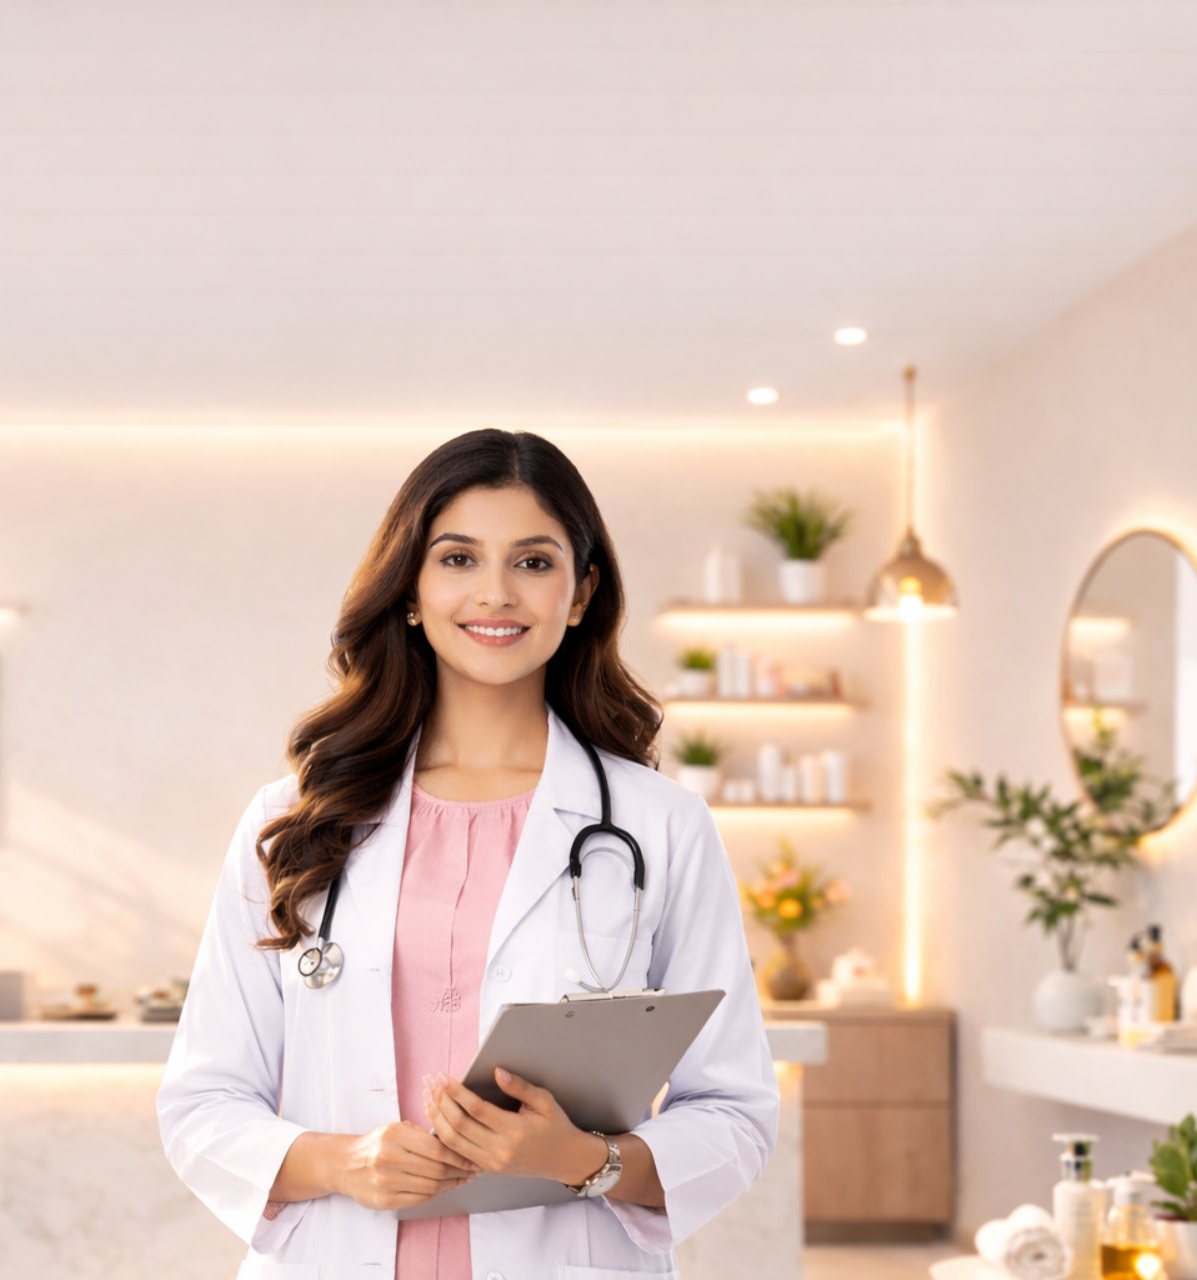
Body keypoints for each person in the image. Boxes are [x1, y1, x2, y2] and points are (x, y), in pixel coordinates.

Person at [156, 429, 778, 1277]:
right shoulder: (299, 818)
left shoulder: (658, 827)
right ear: (410, 590)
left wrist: (579, 1161)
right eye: (457, 559)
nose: (495, 593)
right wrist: (341, 1162)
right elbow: (202, 1102)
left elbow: (734, 1114)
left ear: (581, 592)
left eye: (532, 562)